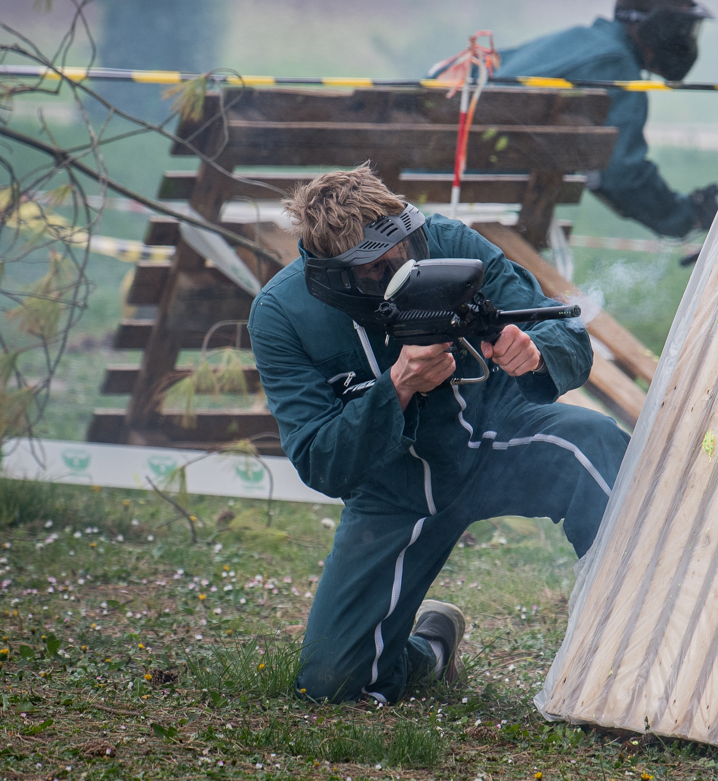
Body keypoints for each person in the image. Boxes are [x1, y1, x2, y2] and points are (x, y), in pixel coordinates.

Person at [248, 165, 629, 703]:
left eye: (402, 250)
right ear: (337, 277)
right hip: (394, 488)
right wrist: (397, 388)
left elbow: (561, 327)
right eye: (376, 268)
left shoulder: (448, 241)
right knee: (332, 684)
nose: (399, 268)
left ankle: (636, 642)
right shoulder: (280, 315)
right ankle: (431, 649)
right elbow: (319, 460)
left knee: (597, 442)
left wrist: (536, 351)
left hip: (500, 439)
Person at [494, 0, 718, 239]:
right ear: (656, 27)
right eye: (679, 28)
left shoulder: (578, 41)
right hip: (488, 190)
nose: (683, 39)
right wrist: (684, 215)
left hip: (459, 176)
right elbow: (621, 176)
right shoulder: (615, 67)